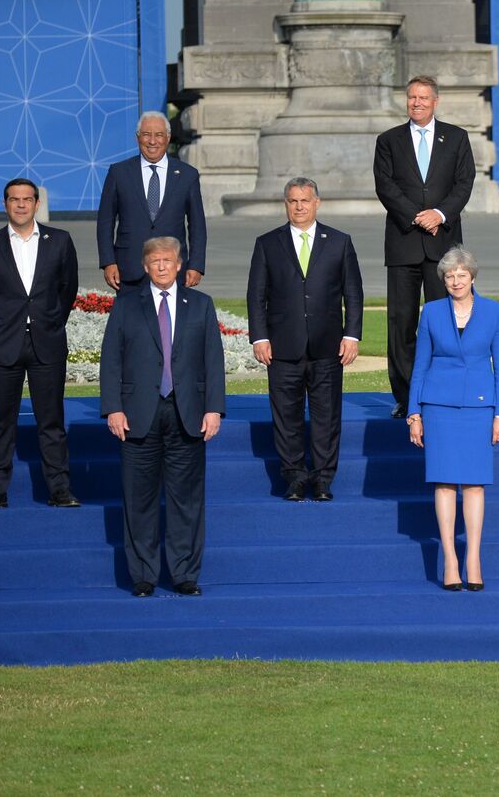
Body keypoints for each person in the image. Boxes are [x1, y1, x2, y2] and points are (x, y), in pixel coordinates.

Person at [100, 237, 226, 597]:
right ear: (144, 265)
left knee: (186, 500)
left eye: (167, 260)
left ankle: (184, 573)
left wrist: (214, 408)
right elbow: (111, 360)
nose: (161, 266)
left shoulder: (201, 305)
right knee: (138, 499)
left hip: (187, 414)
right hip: (138, 415)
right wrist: (113, 408)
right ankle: (143, 575)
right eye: (154, 261)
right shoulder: (125, 305)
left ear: (179, 264)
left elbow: (212, 361)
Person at [247, 178, 364, 502]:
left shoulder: (339, 242)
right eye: (292, 201)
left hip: (328, 346)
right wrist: (260, 337)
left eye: (304, 200)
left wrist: (351, 335)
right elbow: (257, 295)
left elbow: (353, 293)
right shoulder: (268, 243)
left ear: (317, 203)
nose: (299, 206)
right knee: (287, 417)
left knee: (327, 416)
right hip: (282, 348)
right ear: (285, 204)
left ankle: (323, 479)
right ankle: (295, 478)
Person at [0, 178, 80, 510]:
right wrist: (0, 327)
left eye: (26, 199)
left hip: (47, 343)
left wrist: (49, 323)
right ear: (4, 204)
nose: (20, 205)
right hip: (4, 346)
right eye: (13, 199)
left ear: (36, 204)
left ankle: (59, 489)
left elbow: (67, 289)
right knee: (0, 421)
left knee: (51, 420)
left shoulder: (59, 241)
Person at [407, 248, 499, 591]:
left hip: (480, 408)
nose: (455, 281)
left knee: (475, 484)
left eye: (461, 276)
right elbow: (420, 365)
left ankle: (473, 558)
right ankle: (450, 559)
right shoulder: (432, 313)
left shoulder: (494, 312)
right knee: (445, 483)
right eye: (449, 276)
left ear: (472, 277)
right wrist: (414, 413)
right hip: (438, 407)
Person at [374, 74, 477, 419]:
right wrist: (417, 216)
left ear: (436, 101)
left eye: (423, 98)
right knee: (401, 322)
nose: (416, 103)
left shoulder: (457, 138)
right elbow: (385, 186)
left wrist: (439, 213)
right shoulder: (388, 140)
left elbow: (465, 183)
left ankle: (442, 391)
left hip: (443, 246)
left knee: (444, 321)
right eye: (411, 98)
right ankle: (406, 397)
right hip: (403, 242)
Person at [96, 111, 207, 293]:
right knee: (131, 322)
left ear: (168, 138)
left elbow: (197, 226)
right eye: (146, 134)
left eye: (159, 135)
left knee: (169, 322)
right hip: (129, 270)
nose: (152, 141)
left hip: (173, 269)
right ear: (137, 137)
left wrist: (196, 265)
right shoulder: (119, 173)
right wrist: (108, 262)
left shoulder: (187, 175)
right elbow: (105, 222)